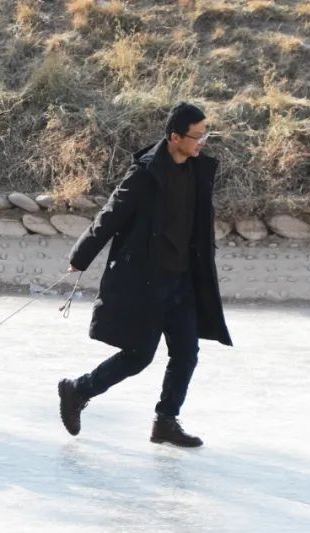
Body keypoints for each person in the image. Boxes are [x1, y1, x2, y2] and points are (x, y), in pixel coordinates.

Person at [57, 102, 232, 448]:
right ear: (175, 137)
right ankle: (78, 390)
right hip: (147, 282)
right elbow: (111, 214)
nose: (203, 142)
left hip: (183, 280)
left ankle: (166, 421)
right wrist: (81, 256)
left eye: (205, 134)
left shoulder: (197, 170)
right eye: (198, 136)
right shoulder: (145, 174)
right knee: (138, 356)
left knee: (186, 353)